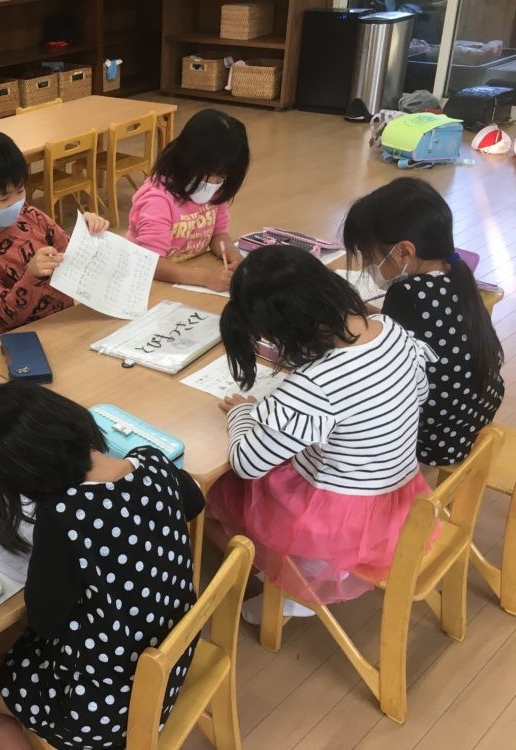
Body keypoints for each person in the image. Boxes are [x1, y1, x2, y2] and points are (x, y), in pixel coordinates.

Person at [0, 381, 204, 750]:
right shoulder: (155, 463)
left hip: (107, 710)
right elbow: (193, 502)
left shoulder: (63, 516)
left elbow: (44, 623)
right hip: (174, 662)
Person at [208, 246, 434, 619]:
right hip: (397, 495)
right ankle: (308, 571)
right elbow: (419, 393)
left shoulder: (316, 382)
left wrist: (243, 414)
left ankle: (297, 578)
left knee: (224, 486)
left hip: (339, 521)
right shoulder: (389, 329)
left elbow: (247, 462)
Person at [343, 177, 504, 466]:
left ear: (404, 251)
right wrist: (365, 312)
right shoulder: (456, 274)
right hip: (472, 423)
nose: (368, 265)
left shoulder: (407, 294)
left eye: (369, 256)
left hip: (429, 441)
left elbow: (379, 363)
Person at [0, 130, 109, 334]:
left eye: (20, 191)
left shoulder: (32, 217)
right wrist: (31, 276)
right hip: (25, 337)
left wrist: (87, 233)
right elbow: (6, 317)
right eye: (3, 198)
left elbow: (72, 256)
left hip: (66, 323)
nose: (16, 202)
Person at [127, 109, 249, 291]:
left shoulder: (216, 192)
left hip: (185, 275)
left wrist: (234, 255)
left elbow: (218, 233)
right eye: (209, 174)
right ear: (188, 160)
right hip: (149, 283)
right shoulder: (157, 200)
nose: (214, 183)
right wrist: (205, 278)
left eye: (222, 177)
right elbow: (151, 263)